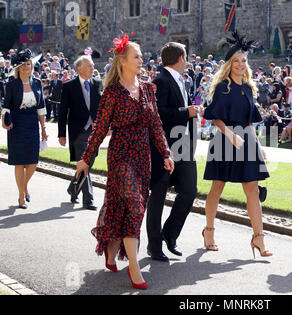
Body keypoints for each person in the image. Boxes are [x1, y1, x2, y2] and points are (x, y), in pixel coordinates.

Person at [76, 36, 174, 290]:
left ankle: (111, 246)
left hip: (144, 157)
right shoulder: (112, 93)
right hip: (120, 156)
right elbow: (99, 129)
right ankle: (134, 265)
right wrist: (86, 159)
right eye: (137, 57)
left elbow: (156, 125)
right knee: (133, 201)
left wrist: (165, 153)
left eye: (141, 56)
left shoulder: (149, 89)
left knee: (131, 207)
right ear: (122, 62)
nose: (142, 60)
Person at [202, 31, 272, 258]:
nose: (241, 64)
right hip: (225, 139)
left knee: (252, 189)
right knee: (217, 188)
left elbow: (250, 119)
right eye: (236, 61)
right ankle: (209, 231)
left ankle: (259, 238)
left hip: (247, 140)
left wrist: (257, 144)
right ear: (229, 64)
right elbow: (215, 117)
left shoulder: (249, 88)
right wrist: (231, 135)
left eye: (244, 61)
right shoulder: (223, 86)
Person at [146, 42, 200, 262]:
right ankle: (154, 244)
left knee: (189, 190)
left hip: (184, 145)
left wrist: (192, 113)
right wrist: (186, 111)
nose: (187, 62)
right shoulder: (160, 81)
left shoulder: (181, 81)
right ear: (180, 59)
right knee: (158, 196)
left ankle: (169, 233)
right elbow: (159, 114)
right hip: (163, 147)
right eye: (185, 58)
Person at [1, 49, 48, 209]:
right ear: (19, 68)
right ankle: (21, 196)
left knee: (33, 161)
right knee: (20, 163)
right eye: (24, 64)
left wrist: (43, 128)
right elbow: (6, 107)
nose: (27, 67)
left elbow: (41, 108)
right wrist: (4, 121)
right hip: (17, 125)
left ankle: (24, 186)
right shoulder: (12, 84)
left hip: (32, 125)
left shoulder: (37, 83)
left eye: (29, 64)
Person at [58, 55, 103, 209]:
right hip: (78, 131)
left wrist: (107, 126)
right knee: (85, 162)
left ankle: (73, 188)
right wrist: (61, 133)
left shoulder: (97, 83)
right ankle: (88, 199)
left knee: (88, 162)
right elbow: (62, 111)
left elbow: (103, 108)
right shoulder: (69, 86)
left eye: (92, 65)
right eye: (89, 66)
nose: (93, 68)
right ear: (79, 68)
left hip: (95, 131)